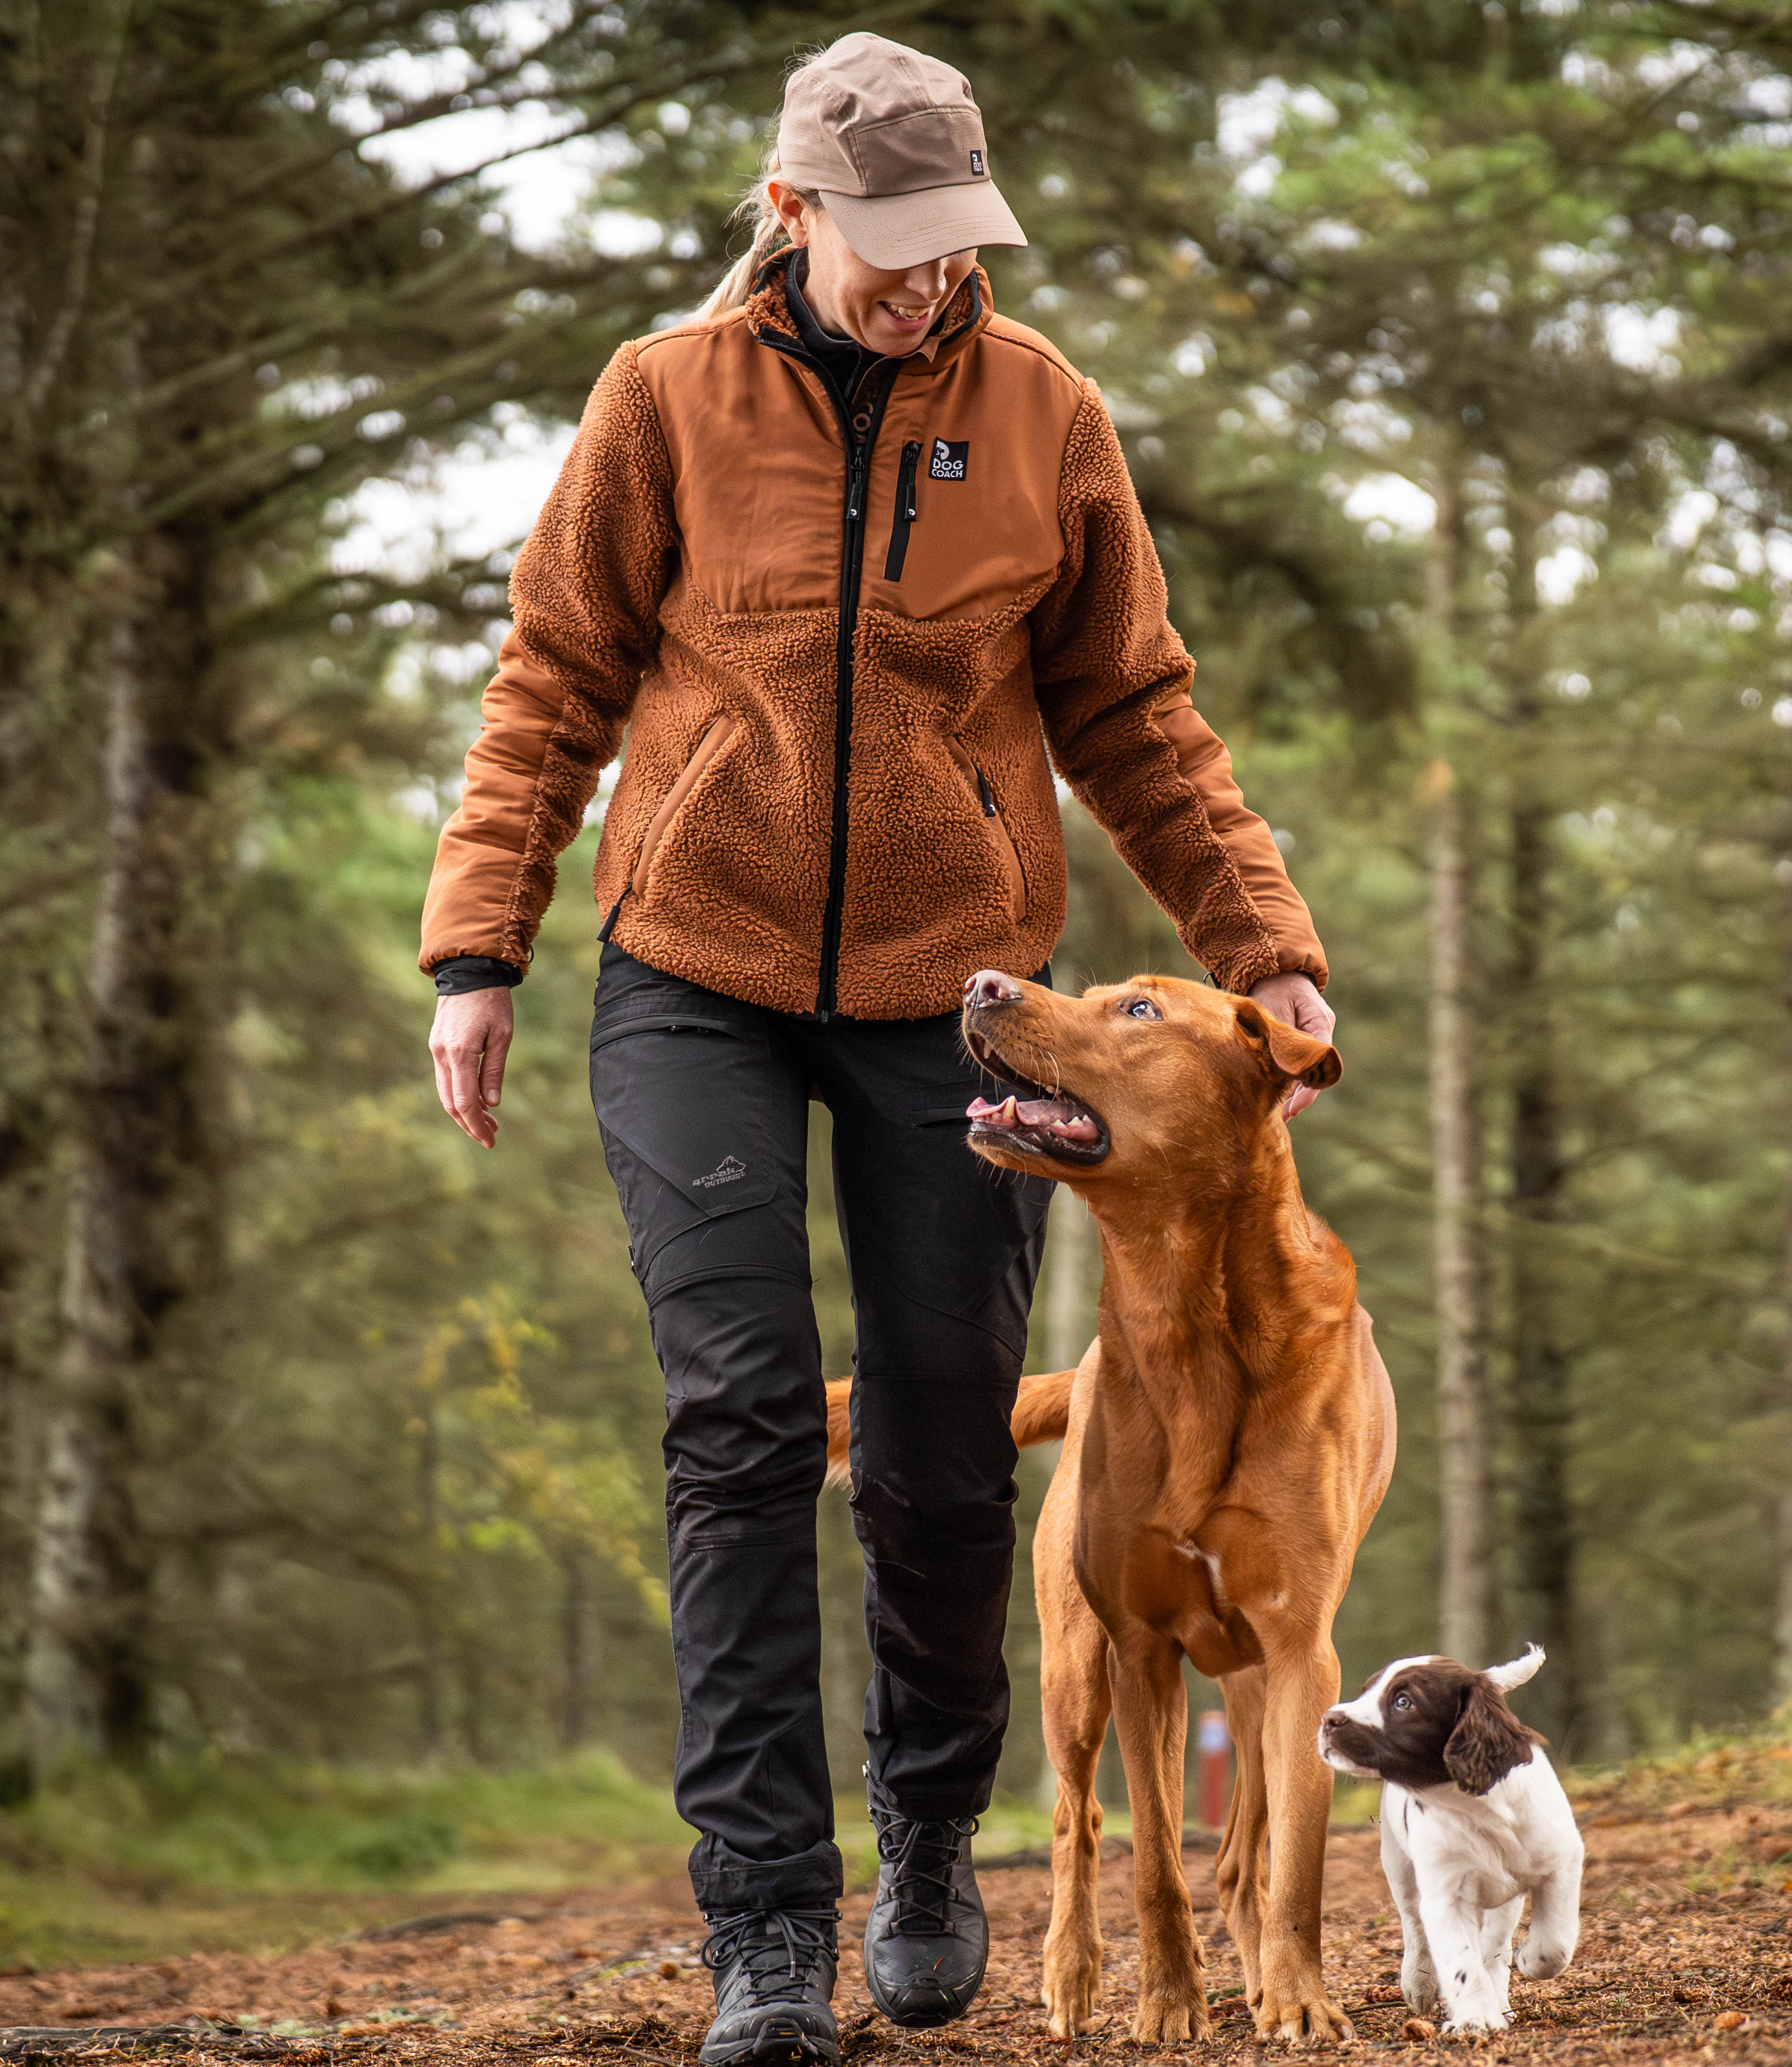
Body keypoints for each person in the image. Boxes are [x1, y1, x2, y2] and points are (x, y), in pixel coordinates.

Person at [419, 33, 1331, 2067]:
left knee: (935, 1446)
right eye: (885, 246)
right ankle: (762, 1924)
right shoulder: (662, 397)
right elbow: (551, 680)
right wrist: (477, 946)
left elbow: (1138, 721)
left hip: (959, 991)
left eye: (952, 247)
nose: (921, 282)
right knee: (740, 1416)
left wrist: (1263, 949)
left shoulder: (1041, 418)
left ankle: (926, 1836)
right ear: (791, 211)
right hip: (694, 973)